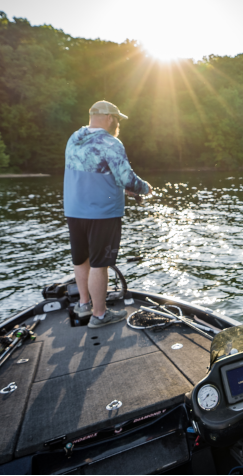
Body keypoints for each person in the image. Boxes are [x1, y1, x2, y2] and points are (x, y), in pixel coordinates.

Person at [63, 100, 152, 329]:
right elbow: (127, 178)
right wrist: (145, 188)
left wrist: (120, 186)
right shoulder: (111, 142)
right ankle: (100, 315)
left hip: (74, 210)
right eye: (118, 119)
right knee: (99, 264)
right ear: (111, 118)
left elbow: (95, 172)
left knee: (81, 259)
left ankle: (84, 304)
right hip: (102, 212)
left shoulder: (74, 139)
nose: (118, 124)